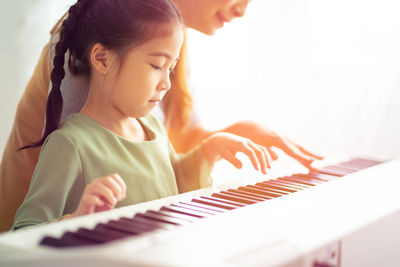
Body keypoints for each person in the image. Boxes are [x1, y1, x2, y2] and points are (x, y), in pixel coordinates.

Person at [0, 0, 322, 232]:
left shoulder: (164, 46)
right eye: (158, 66)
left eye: (168, 67)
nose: (242, 9)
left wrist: (218, 143)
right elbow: (98, 153)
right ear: (101, 59)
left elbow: (163, 160)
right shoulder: (94, 38)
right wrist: (79, 218)